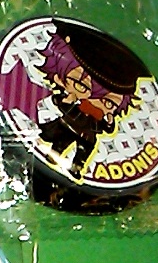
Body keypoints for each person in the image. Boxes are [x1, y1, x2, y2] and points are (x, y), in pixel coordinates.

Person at [32, 20, 143, 177]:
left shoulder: (99, 116)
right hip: (70, 126)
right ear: (59, 78)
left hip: (88, 136)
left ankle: (76, 168)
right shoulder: (74, 102)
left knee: (83, 153)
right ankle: (54, 155)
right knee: (61, 142)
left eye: (108, 102)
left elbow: (107, 128)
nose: (94, 99)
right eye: (81, 85)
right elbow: (60, 103)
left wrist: (109, 121)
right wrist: (67, 101)